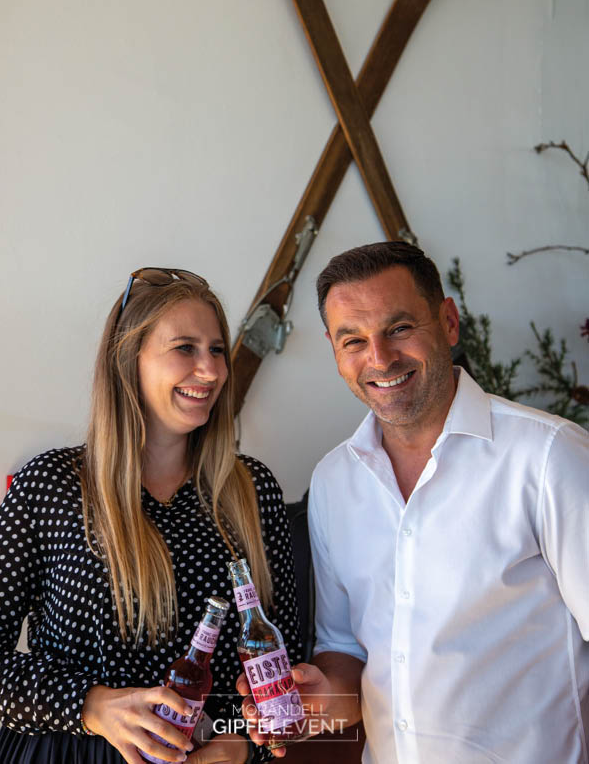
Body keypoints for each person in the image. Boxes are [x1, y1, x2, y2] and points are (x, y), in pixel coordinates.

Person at [241, 241, 589, 763]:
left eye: (399, 328)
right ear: (335, 351)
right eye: (353, 340)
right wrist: (319, 700)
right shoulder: (334, 481)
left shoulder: (548, 456)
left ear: (448, 322)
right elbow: (346, 651)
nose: (380, 358)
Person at [0, 267, 302, 764]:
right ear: (128, 360)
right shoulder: (51, 485)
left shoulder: (253, 492)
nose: (211, 370)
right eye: (185, 348)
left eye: (217, 349)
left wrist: (239, 745)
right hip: (66, 752)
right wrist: (91, 706)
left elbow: (284, 665)